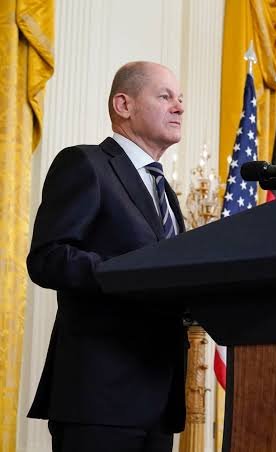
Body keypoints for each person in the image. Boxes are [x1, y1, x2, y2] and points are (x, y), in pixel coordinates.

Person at [26, 61, 187, 452]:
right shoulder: (86, 164)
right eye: (165, 96)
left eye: (181, 99)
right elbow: (48, 257)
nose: (179, 107)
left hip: (158, 399)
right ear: (123, 105)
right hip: (99, 397)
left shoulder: (164, 190)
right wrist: (133, 274)